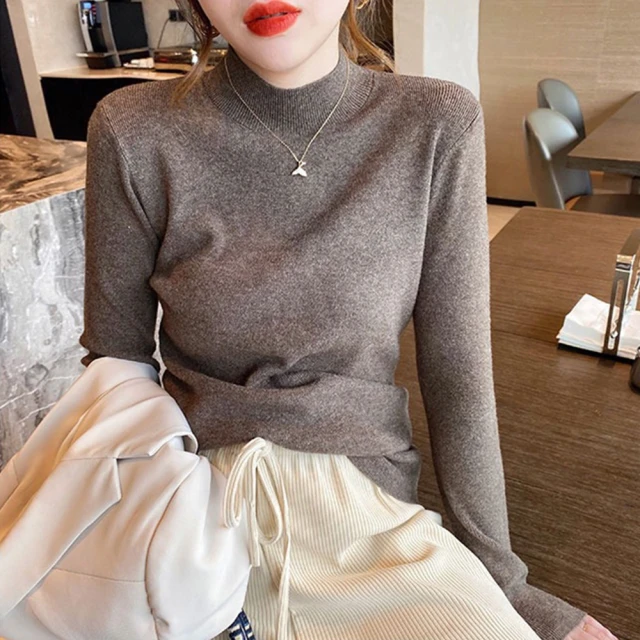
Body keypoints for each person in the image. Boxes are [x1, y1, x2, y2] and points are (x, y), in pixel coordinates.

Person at [78, 1, 618, 639]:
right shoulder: (132, 130)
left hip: (368, 516)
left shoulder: (434, 123)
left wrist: (503, 583)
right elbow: (116, 369)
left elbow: (457, 371)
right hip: (193, 516)